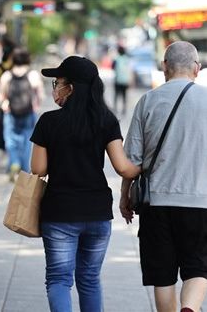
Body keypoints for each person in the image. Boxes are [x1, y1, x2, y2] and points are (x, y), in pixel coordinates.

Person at [30, 56, 141, 312]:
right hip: (97, 212)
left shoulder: (49, 121)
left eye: (56, 82)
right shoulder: (106, 120)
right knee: (89, 279)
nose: (54, 88)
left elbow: (38, 169)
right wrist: (148, 165)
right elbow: (123, 167)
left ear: (70, 88)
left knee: (59, 279)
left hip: (60, 213)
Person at [120, 41, 207, 312]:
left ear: (164, 67)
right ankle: (189, 309)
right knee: (198, 270)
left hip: (156, 204)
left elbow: (131, 161)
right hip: (201, 202)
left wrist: (124, 197)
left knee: (163, 277)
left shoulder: (148, 101)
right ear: (197, 68)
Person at [0, 48, 44, 181]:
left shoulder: (7, 75)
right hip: (29, 112)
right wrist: (36, 106)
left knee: (10, 140)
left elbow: (0, 96)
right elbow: (39, 95)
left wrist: (4, 105)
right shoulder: (33, 74)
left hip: (11, 113)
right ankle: (24, 169)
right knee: (27, 140)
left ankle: (14, 163)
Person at [112, 45, 132, 115]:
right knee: (124, 95)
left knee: (116, 95)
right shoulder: (127, 59)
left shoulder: (116, 59)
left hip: (118, 80)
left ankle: (115, 108)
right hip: (125, 80)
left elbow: (113, 67)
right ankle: (124, 109)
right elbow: (129, 70)